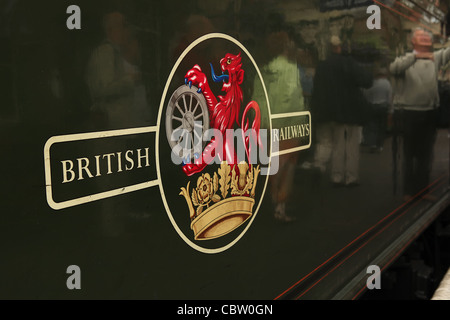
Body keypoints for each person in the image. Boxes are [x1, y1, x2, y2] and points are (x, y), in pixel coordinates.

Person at [389, 28, 450, 200]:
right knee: (409, 154)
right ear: (413, 42)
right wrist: (415, 57)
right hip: (410, 112)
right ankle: (409, 191)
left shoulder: (435, 58)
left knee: (426, 155)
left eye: (427, 37)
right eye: (420, 37)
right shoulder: (406, 59)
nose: (425, 39)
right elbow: (394, 68)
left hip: (430, 112)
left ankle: (422, 190)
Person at [311, 35, 372, 186]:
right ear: (341, 47)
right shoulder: (350, 63)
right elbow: (367, 81)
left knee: (337, 144)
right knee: (351, 145)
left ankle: (336, 176)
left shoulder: (323, 66)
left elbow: (317, 90)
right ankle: (351, 177)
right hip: (351, 111)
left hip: (332, 111)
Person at [362, 67, 392, 152]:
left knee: (373, 126)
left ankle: (373, 144)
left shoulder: (372, 83)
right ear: (385, 75)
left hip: (373, 106)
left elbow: (366, 94)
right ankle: (380, 145)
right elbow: (389, 97)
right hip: (383, 107)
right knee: (382, 127)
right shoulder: (387, 83)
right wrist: (390, 110)